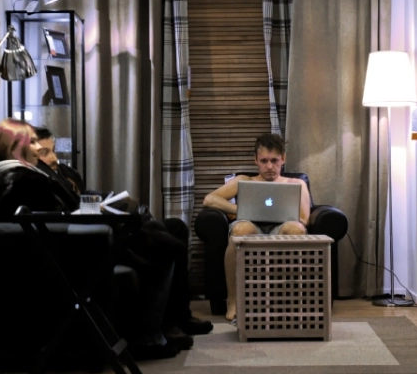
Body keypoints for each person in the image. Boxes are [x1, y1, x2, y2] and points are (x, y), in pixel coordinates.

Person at [32, 125, 212, 350]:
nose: (53, 158)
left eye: (53, 150)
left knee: (176, 227)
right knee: (166, 242)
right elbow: (65, 212)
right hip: (92, 238)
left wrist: (108, 200)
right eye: (45, 153)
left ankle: (181, 315)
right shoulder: (39, 180)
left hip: (101, 226)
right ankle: (163, 327)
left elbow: (85, 196)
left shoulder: (66, 173)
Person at [203, 133, 310, 321]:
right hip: (250, 225)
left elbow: (304, 219)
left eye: (274, 160)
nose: (269, 166)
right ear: (256, 160)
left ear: (283, 159)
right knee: (240, 230)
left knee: (296, 230)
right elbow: (209, 199)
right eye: (264, 161)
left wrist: (281, 214)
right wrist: (241, 210)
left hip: (282, 227)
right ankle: (234, 301)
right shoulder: (244, 181)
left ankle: (289, 301)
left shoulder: (297, 184)